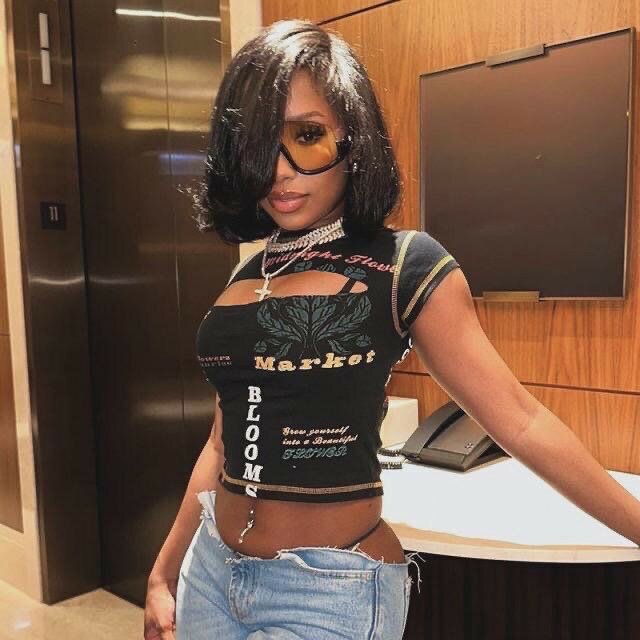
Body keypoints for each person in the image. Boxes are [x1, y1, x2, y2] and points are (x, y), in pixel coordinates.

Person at [144, 18, 640, 640]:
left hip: (324, 591)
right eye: (258, 144)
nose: (279, 170)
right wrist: (164, 572)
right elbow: (221, 444)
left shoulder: (405, 264)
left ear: (353, 137)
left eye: (307, 136)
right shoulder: (251, 271)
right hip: (212, 574)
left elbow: (520, 420)